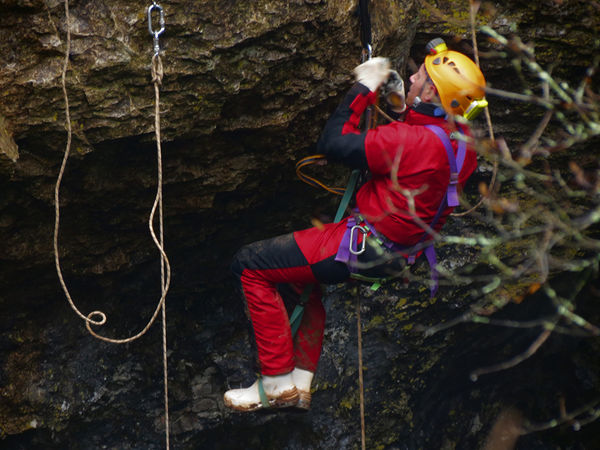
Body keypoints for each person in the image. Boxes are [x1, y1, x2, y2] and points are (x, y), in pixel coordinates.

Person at [224, 38, 487, 412]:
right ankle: (299, 381)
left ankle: (275, 382)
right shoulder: (463, 146)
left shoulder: (409, 142)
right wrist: (400, 102)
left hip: (357, 244)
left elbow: (334, 143)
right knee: (299, 279)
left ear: (431, 90)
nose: (412, 76)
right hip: (396, 256)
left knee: (249, 265)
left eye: (419, 76)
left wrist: (362, 88)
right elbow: (424, 141)